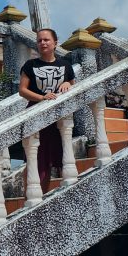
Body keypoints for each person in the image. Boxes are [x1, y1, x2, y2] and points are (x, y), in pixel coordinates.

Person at [18, 28, 75, 193]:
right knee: (34, 158)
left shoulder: (65, 65)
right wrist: (42, 97)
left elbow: (73, 84)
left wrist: (68, 84)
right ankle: (30, 197)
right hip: (36, 116)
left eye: (46, 40)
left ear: (55, 43)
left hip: (57, 118)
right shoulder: (30, 65)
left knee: (51, 160)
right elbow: (22, 90)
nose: (42, 43)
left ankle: (42, 194)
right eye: (39, 40)